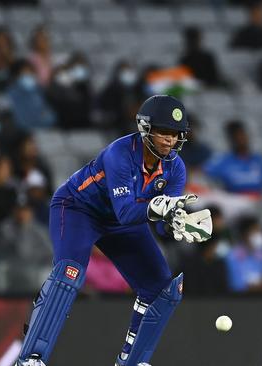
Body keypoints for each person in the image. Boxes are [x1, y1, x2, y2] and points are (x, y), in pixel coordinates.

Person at [15, 95, 213, 366]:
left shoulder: (175, 167)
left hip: (122, 223)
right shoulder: (120, 153)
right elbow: (126, 211)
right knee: (69, 273)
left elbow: (158, 222)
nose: (170, 140)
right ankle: (31, 358)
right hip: (78, 210)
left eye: (176, 134)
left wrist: (175, 223)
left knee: (163, 289)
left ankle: (131, 360)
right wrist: (160, 210)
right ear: (146, 129)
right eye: (164, 132)